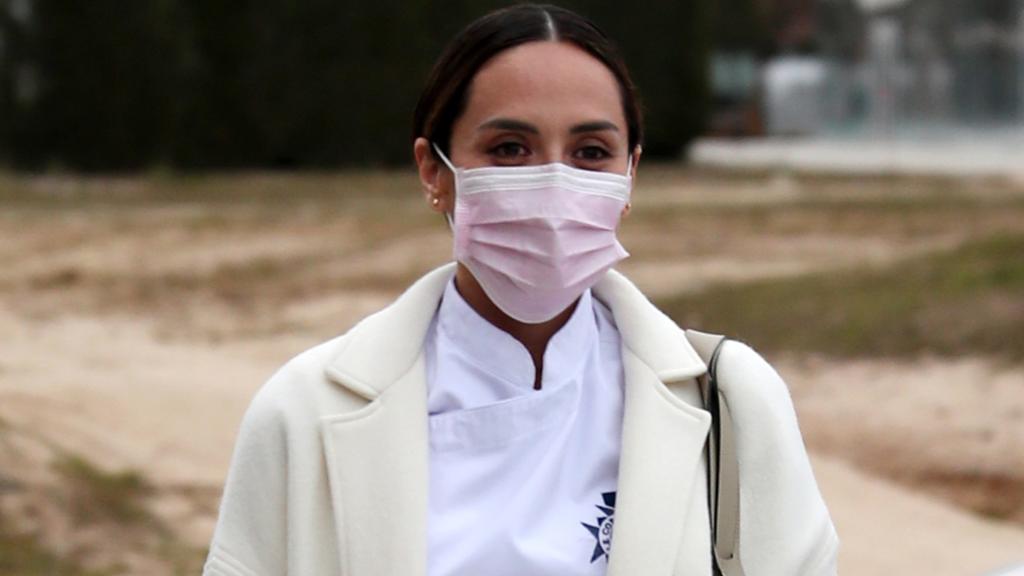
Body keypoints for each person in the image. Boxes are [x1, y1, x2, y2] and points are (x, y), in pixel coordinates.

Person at [202, 4, 839, 576]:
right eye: (510, 148)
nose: (554, 185)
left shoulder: (730, 401)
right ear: (435, 171)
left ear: (630, 174)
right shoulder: (302, 414)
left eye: (590, 152)